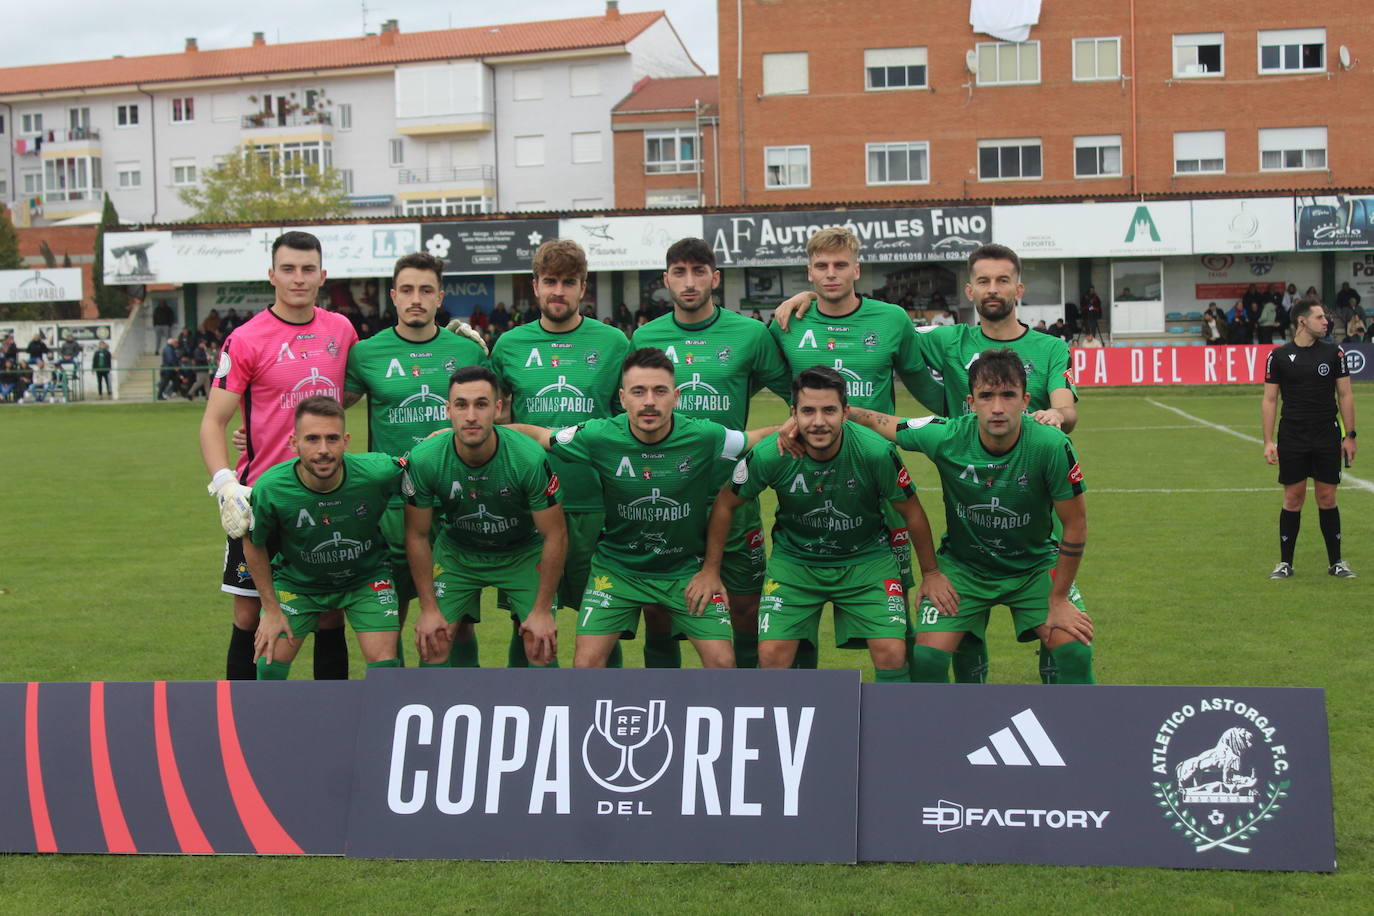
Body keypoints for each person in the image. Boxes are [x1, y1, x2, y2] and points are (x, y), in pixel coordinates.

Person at [775, 240, 1079, 682]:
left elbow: (1067, 409)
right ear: (970, 291)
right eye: (984, 281)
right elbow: (875, 328)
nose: (993, 289)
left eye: (1003, 280)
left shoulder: (1050, 348)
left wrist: (1057, 415)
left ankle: (1058, 697)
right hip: (968, 492)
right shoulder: (947, 340)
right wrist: (815, 297)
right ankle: (964, 707)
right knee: (958, 621)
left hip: (1029, 490)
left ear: (1019, 288)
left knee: (1056, 629)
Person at [510, 347, 777, 669]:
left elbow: (754, 438)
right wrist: (476, 430)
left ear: (676, 397)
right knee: (585, 666)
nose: (649, 401)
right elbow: (540, 436)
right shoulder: (598, 435)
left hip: (684, 571)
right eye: (639, 391)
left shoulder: (703, 435)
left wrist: (803, 427)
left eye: (659, 391)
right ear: (623, 398)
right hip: (617, 569)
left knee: (722, 663)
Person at [847, 347, 1095, 685]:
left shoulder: (1050, 445)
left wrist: (1059, 597)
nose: (997, 407)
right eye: (986, 395)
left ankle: (1081, 734)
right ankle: (943, 734)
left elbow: (1076, 523)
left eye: (1008, 395)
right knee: (928, 657)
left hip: (1034, 566)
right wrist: (833, 413)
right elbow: (887, 423)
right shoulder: (947, 436)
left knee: (1076, 650)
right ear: (971, 401)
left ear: (1026, 401)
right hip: (964, 569)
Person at [695, 366, 956, 681]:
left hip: (865, 560)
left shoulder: (874, 452)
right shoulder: (772, 454)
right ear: (794, 414)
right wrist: (710, 570)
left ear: (845, 411)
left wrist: (931, 573)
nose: (818, 422)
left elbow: (912, 512)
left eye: (829, 410)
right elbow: (726, 503)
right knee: (771, 655)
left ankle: (896, 726)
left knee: (891, 651)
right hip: (796, 563)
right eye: (808, 411)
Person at [766, 226, 937, 668]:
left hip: (878, 477)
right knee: (796, 622)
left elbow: (923, 382)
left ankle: (911, 710)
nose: (831, 274)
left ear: (857, 269)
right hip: (808, 472)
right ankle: (804, 712)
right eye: (821, 266)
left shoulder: (892, 320)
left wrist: (966, 422)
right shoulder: (789, 323)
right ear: (809, 272)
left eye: (840, 265)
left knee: (900, 616)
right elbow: (761, 379)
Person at [200, 231, 359, 681]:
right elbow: (213, 422)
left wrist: (450, 343)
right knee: (249, 617)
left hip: (325, 493)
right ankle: (239, 723)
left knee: (331, 613)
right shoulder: (246, 339)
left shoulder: (341, 331)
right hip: (263, 498)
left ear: (323, 276)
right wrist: (227, 485)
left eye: (308, 269)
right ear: (271, 275)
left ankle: (333, 719)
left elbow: (342, 396)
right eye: (288, 269)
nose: (298, 278)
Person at [631, 237, 792, 669]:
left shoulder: (750, 334)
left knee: (743, 610)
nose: (689, 281)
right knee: (659, 614)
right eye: (679, 272)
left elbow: (795, 394)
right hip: (665, 496)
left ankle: (742, 709)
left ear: (714, 278)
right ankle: (663, 713)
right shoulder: (646, 336)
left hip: (733, 492)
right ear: (665, 280)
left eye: (698, 271)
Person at [487, 240, 631, 668]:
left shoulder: (613, 343)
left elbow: (626, 424)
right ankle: (529, 719)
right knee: (528, 621)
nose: (559, 291)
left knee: (603, 622)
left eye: (569, 282)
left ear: (583, 288)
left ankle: (606, 719)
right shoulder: (510, 345)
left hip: (596, 505)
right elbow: (495, 419)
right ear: (535, 286)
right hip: (530, 504)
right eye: (550, 281)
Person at [340, 251, 488, 664]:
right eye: (407, 290)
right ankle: (396, 714)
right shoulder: (366, 353)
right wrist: (257, 427)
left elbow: (499, 419)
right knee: (390, 619)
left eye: (426, 290)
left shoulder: (467, 352)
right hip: (389, 504)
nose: (416, 298)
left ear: (440, 297)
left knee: (456, 624)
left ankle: (457, 715)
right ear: (393, 296)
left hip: (453, 503)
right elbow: (329, 410)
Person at [404, 366, 566, 668]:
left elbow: (554, 534)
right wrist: (427, 608)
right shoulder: (425, 458)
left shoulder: (528, 458)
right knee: (435, 640)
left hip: (521, 552)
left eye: (481, 404)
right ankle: (456, 707)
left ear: (498, 408)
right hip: (458, 553)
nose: (471, 416)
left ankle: (530, 709)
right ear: (448, 410)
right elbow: (416, 535)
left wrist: (543, 610)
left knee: (540, 645)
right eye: (461, 405)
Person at [245, 396, 403, 679]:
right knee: (269, 666)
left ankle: (377, 722)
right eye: (312, 439)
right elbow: (253, 542)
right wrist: (270, 609)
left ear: (346, 441)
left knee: (385, 666)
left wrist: (442, 437)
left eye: (332, 439)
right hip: (298, 584)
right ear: (294, 443)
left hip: (366, 579)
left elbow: (420, 464)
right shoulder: (271, 488)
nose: (323, 450)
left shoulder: (376, 472)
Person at [1263, 300, 1358, 579]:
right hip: (1292, 435)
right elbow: (1270, 400)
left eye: (1325, 317)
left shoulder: (1334, 353)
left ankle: (1336, 562)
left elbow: (1346, 396)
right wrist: (1268, 441)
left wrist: (1349, 435)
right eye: (1319, 317)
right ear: (1302, 321)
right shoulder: (1278, 356)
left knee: (1327, 497)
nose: (1326, 321)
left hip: (1327, 434)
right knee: (1293, 498)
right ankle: (1285, 563)